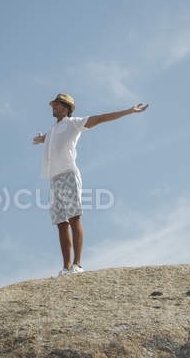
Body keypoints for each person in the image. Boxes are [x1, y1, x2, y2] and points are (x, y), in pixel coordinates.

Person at [33, 93, 149, 277]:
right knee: (60, 223)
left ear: (67, 108)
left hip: (69, 174)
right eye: (53, 104)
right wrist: (41, 140)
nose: (53, 107)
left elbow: (101, 118)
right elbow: (50, 139)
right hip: (54, 178)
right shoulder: (53, 129)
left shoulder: (74, 123)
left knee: (74, 218)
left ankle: (77, 265)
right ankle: (66, 267)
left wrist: (129, 111)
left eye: (57, 104)